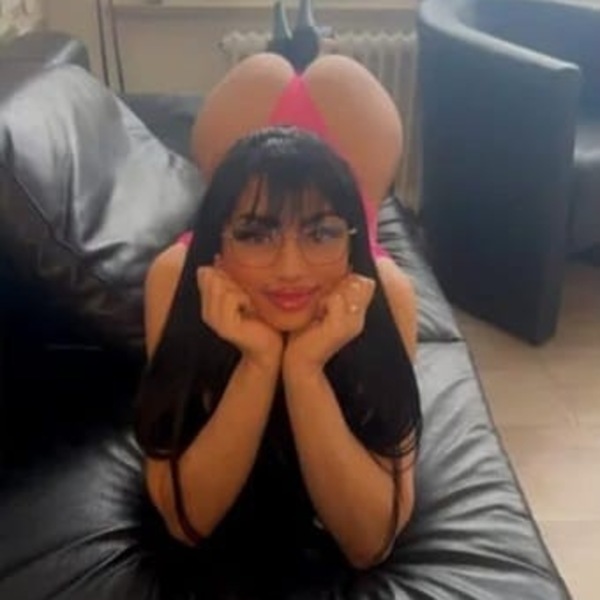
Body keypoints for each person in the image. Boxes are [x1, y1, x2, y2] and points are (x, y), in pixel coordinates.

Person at [135, 53, 421, 598]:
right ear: (218, 241)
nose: (290, 270)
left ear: (350, 240)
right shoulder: (176, 277)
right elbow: (186, 522)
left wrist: (305, 371)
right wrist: (261, 361)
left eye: (321, 233)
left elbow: (370, 542)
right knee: (264, 77)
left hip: (351, 144)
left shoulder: (388, 292)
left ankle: (298, 223)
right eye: (254, 233)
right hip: (243, 184)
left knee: (330, 84)